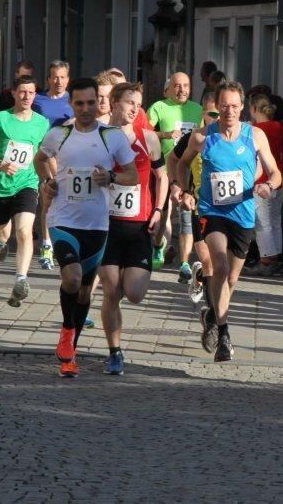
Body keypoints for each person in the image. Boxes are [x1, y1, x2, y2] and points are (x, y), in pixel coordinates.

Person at [34, 77, 138, 378]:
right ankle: (68, 330)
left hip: (96, 225)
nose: (86, 108)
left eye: (91, 102)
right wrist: (47, 182)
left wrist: (112, 178)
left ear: (99, 102)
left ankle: (70, 355)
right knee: (72, 277)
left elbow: (133, 175)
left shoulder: (112, 137)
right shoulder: (60, 133)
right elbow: (41, 160)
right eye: (79, 103)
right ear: (72, 104)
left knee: (83, 293)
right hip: (63, 220)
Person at [176, 81, 282, 362]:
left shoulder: (255, 136)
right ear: (217, 107)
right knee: (219, 265)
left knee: (232, 278)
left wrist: (269, 185)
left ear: (243, 107)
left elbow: (275, 172)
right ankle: (224, 335)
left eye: (235, 106)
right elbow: (181, 162)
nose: (230, 111)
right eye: (225, 106)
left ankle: (212, 315)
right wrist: (184, 189)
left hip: (243, 215)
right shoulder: (202, 137)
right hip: (212, 212)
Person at [96, 82, 167, 375]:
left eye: (138, 103)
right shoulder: (96, 137)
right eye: (129, 102)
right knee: (111, 291)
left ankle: (117, 298)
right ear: (113, 103)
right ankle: (115, 352)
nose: (135, 108)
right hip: (105, 225)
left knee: (134, 293)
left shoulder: (147, 139)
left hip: (138, 226)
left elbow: (162, 176)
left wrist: (160, 211)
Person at [0, 75, 50, 305]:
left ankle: (21, 279)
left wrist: (49, 177)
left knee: (25, 231)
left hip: (27, 183)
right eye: (22, 92)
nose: (26, 96)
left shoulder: (42, 123)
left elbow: (42, 155)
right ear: (14, 94)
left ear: (35, 95)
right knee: (2, 231)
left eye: (31, 92)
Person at [147, 72, 204, 273]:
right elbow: (145, 133)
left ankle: (184, 260)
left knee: (186, 211)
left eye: (186, 86)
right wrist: (166, 135)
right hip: (163, 168)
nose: (182, 90)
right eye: (177, 86)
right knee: (165, 213)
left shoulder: (198, 109)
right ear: (168, 89)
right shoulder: (158, 107)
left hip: (189, 168)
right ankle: (158, 245)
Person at [169, 94, 217, 304]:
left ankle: (201, 276)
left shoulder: (238, 138)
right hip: (201, 205)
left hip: (230, 209)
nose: (218, 118)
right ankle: (213, 311)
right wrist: (178, 185)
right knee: (208, 261)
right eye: (212, 114)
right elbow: (173, 159)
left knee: (222, 266)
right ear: (203, 114)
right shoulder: (196, 138)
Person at [249, 94, 283, 274]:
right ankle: (275, 257)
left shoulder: (254, 130)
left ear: (254, 110)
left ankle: (266, 260)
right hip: (280, 178)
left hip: (261, 181)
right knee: (274, 221)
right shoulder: (282, 127)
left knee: (262, 222)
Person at [32, 60, 73, 125]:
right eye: (56, 78)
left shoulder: (74, 100)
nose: (59, 82)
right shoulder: (35, 99)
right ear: (49, 79)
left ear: (67, 79)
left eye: (62, 77)